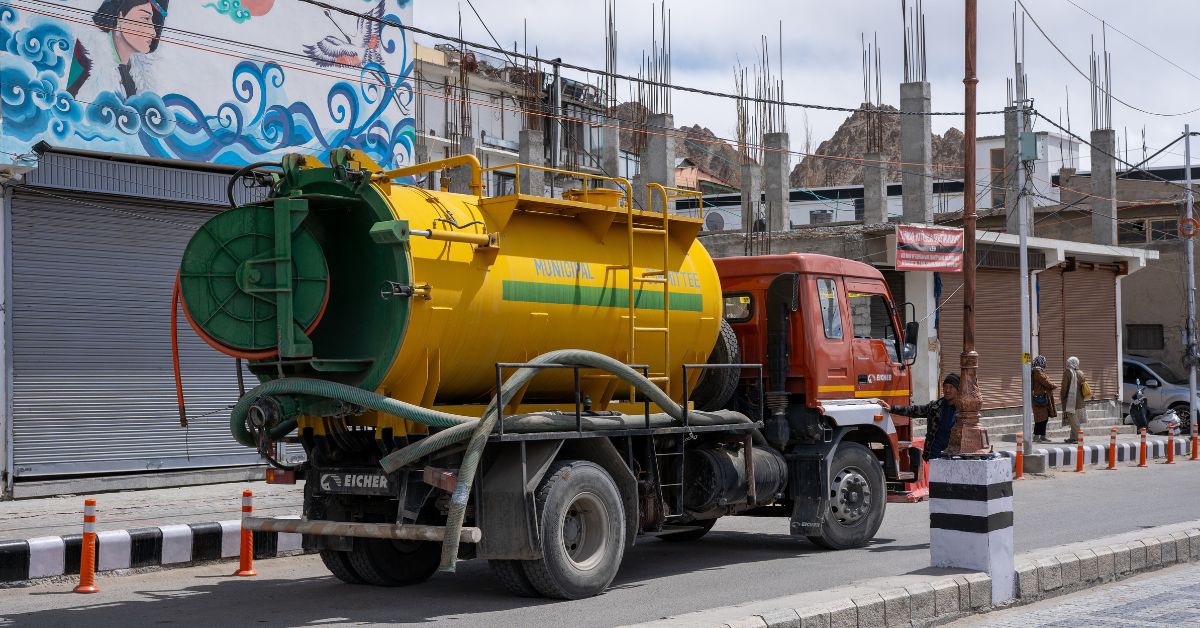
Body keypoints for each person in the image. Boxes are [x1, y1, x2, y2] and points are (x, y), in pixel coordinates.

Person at [67, 0, 170, 101]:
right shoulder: (84, 58)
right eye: (145, 18)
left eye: (154, 22)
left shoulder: (138, 79)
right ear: (120, 17)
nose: (153, 32)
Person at [888, 373, 960, 461]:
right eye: (945, 386)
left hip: (954, 457)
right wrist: (891, 408)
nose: (947, 390)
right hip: (934, 455)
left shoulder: (964, 411)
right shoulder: (935, 407)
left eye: (951, 387)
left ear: (958, 389)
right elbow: (914, 410)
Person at [1060, 356, 1090, 443]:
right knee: (1074, 420)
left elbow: (1064, 388)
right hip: (1080, 400)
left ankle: (1078, 438)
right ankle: (1072, 437)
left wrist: (1062, 397)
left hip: (1070, 401)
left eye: (1068, 362)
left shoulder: (1067, 373)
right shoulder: (1081, 372)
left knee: (1073, 420)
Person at [1031, 355, 1057, 443]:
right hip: (1040, 399)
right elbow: (1045, 382)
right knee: (1040, 419)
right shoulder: (1037, 372)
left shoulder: (1038, 371)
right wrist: (1053, 385)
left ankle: (1042, 436)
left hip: (1042, 398)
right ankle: (1036, 436)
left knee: (1044, 418)